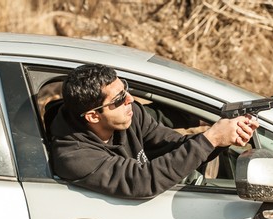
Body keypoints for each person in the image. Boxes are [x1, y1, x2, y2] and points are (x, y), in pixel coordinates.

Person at [49, 64, 259, 199]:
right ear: (93, 116)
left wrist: (223, 137)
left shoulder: (130, 117)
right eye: (119, 99)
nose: (130, 100)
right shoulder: (74, 156)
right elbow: (141, 180)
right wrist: (210, 139)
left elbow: (176, 147)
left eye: (126, 90)